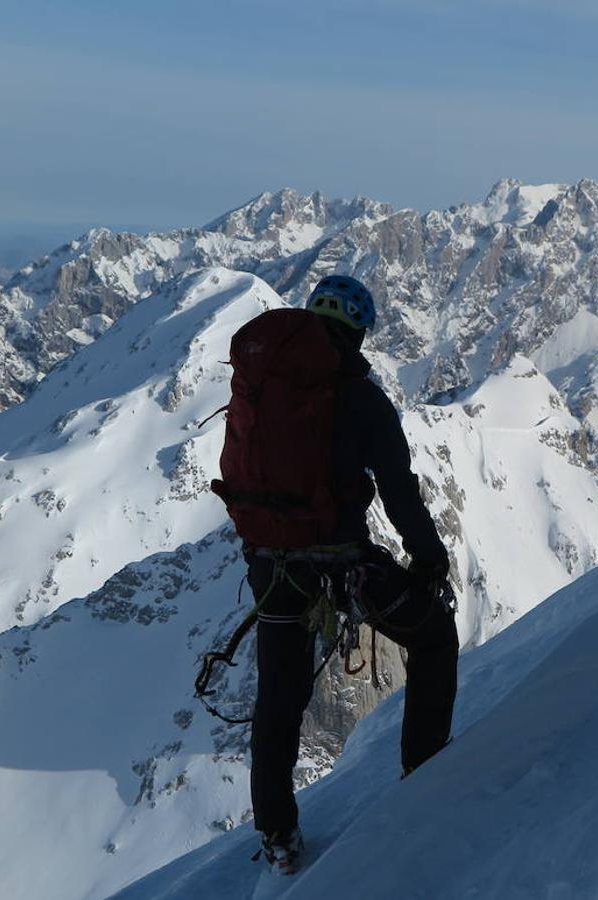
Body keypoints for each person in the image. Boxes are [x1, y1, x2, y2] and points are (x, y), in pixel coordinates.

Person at [240, 275, 457, 874]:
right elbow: (399, 490)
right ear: (359, 334)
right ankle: (426, 772)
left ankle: (278, 837)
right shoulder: (360, 398)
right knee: (433, 635)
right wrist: (429, 557)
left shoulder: (264, 386)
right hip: (343, 565)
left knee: (278, 700)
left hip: (272, 565)